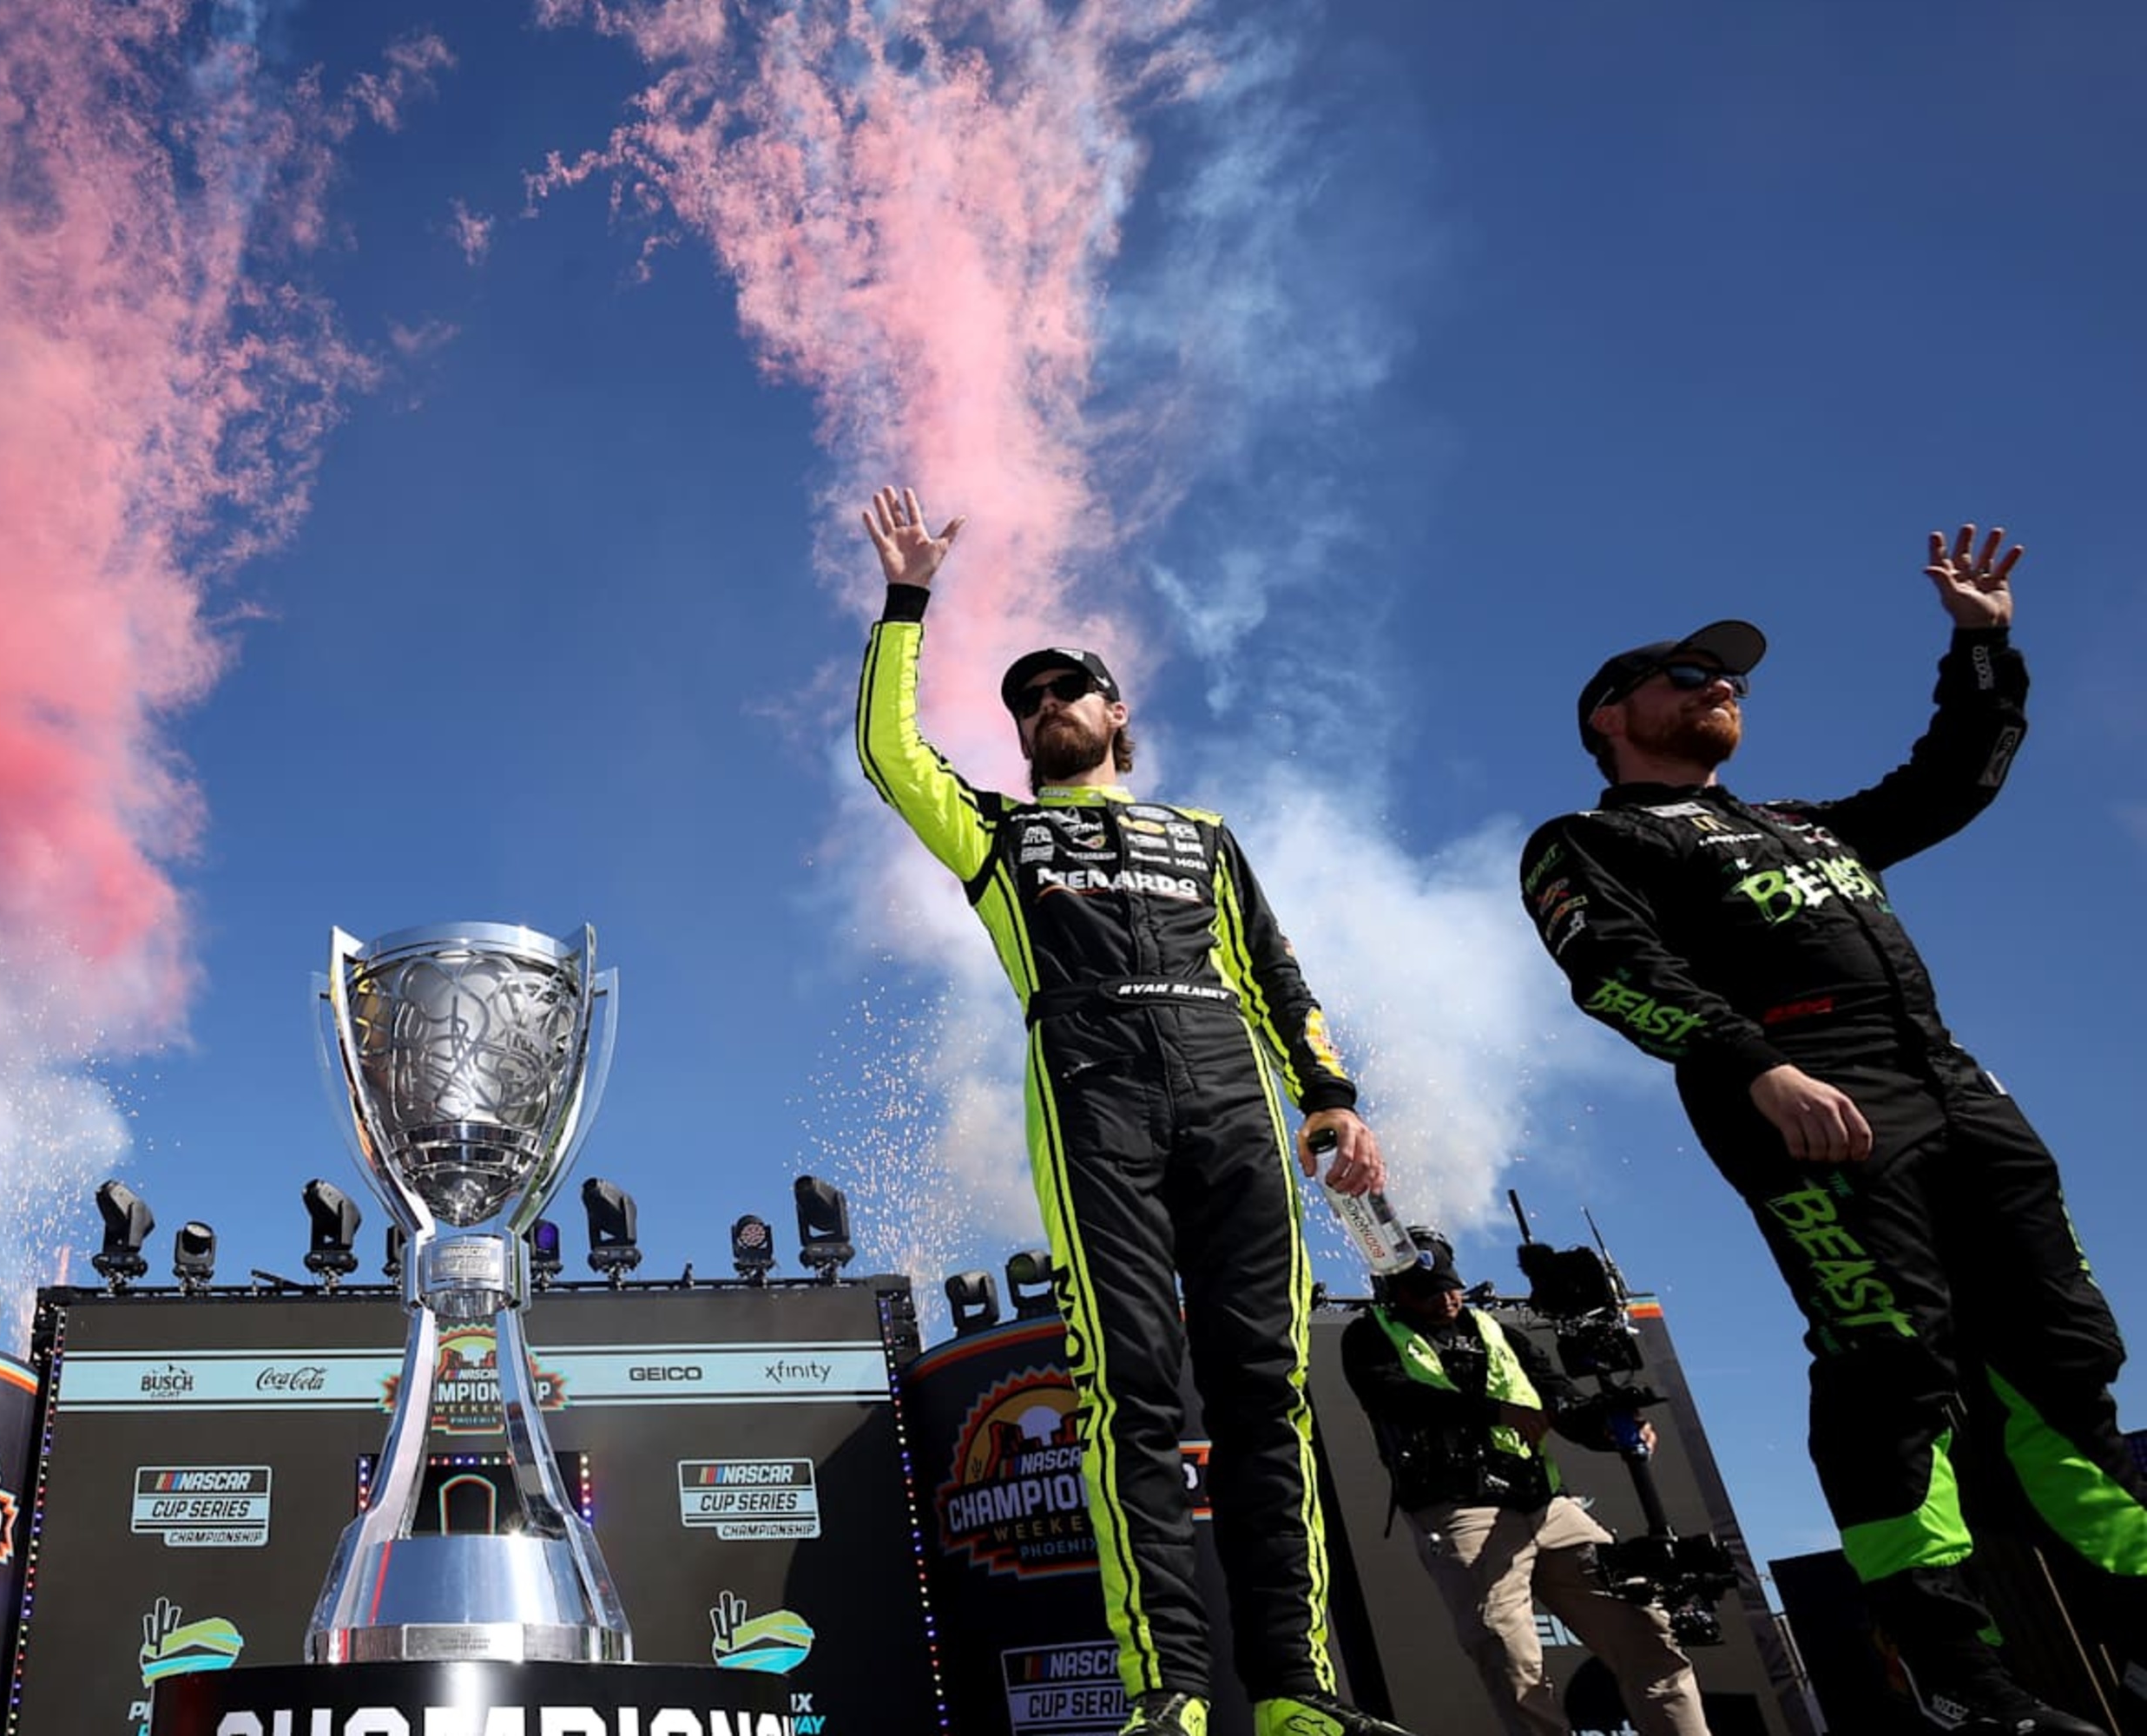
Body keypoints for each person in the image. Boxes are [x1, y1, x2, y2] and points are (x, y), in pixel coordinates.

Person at [1520, 524, 2141, 1736]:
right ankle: (1961, 1678)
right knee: (1892, 1360)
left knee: (2064, 1357)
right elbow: (1610, 972)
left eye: (1733, 678)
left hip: (1959, 1091)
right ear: (1611, 715)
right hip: (1809, 1102)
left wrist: (1981, 648)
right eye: (1689, 674)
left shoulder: (1808, 826)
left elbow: (1954, 779)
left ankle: (2139, 1620)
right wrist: (1760, 1066)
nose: (1723, 687)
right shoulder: (1593, 840)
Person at [854, 487, 1409, 1736]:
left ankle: (1296, 1694)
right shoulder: (999, 836)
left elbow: (1274, 972)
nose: (1045, 707)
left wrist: (1330, 1099)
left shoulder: (1202, 833)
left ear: (1118, 715)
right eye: (1026, 701)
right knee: (1133, 1392)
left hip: (1235, 1103)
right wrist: (906, 602)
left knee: (1266, 1387)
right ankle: (1170, 1693)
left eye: (1068, 691)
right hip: (1094, 1100)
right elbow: (891, 756)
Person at [1340, 1231, 1708, 1736]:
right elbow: (1392, 1396)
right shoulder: (1368, 1335)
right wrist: (1494, 1412)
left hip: (1546, 1505)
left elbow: (1557, 1398)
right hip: (1461, 1510)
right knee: (1513, 1662)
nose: (1445, 1298)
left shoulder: (1496, 1331)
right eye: (1428, 1290)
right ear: (1396, 1290)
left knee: (1647, 1629)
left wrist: (1606, 1426)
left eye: (1450, 1286)